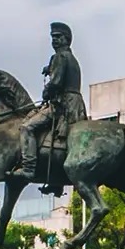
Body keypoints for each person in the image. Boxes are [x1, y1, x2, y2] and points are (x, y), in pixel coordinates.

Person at [17, 21, 86, 194]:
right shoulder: (70, 58)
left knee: (27, 127)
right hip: (75, 103)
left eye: (58, 37)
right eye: (52, 38)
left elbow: (56, 83)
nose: (54, 40)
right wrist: (50, 68)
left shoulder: (60, 57)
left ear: (66, 39)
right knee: (55, 140)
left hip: (63, 105)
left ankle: (29, 168)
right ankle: (56, 181)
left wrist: (47, 91)